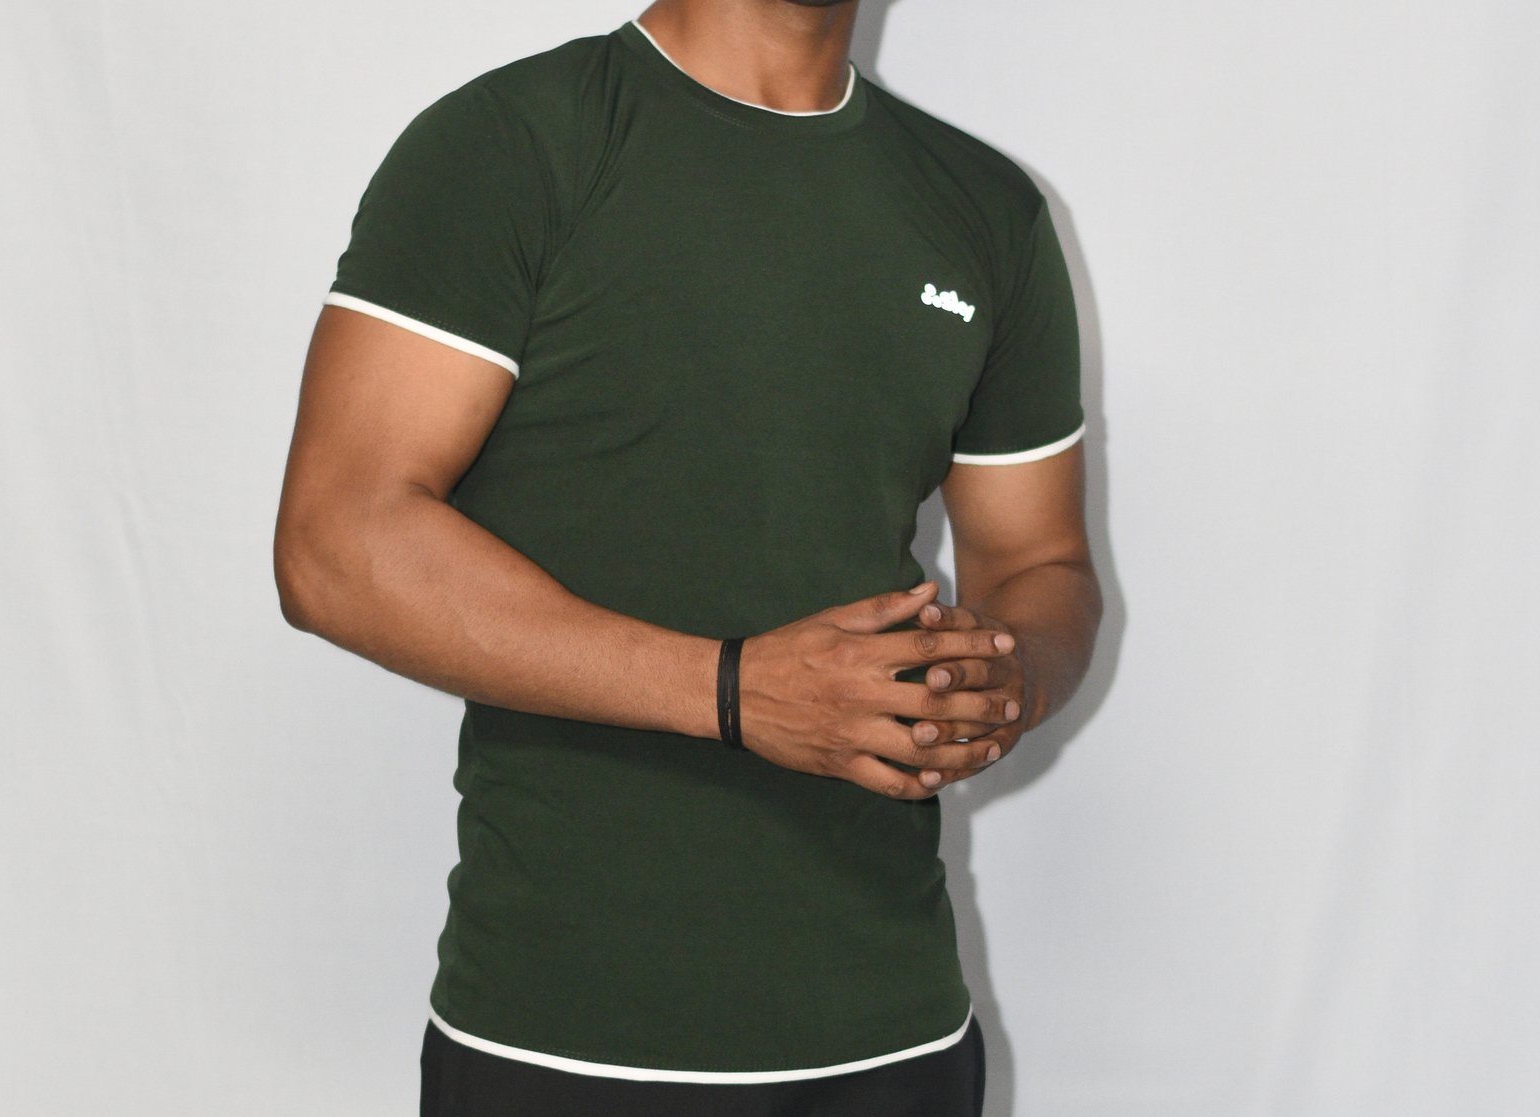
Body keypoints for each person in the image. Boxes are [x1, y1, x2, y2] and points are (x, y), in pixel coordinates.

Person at [273, 0, 1102, 1113]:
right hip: (564, 1038)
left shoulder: (985, 207)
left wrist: (1009, 676)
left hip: (895, 1035)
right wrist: (732, 690)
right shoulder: (516, 142)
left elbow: (1041, 562)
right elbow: (335, 543)